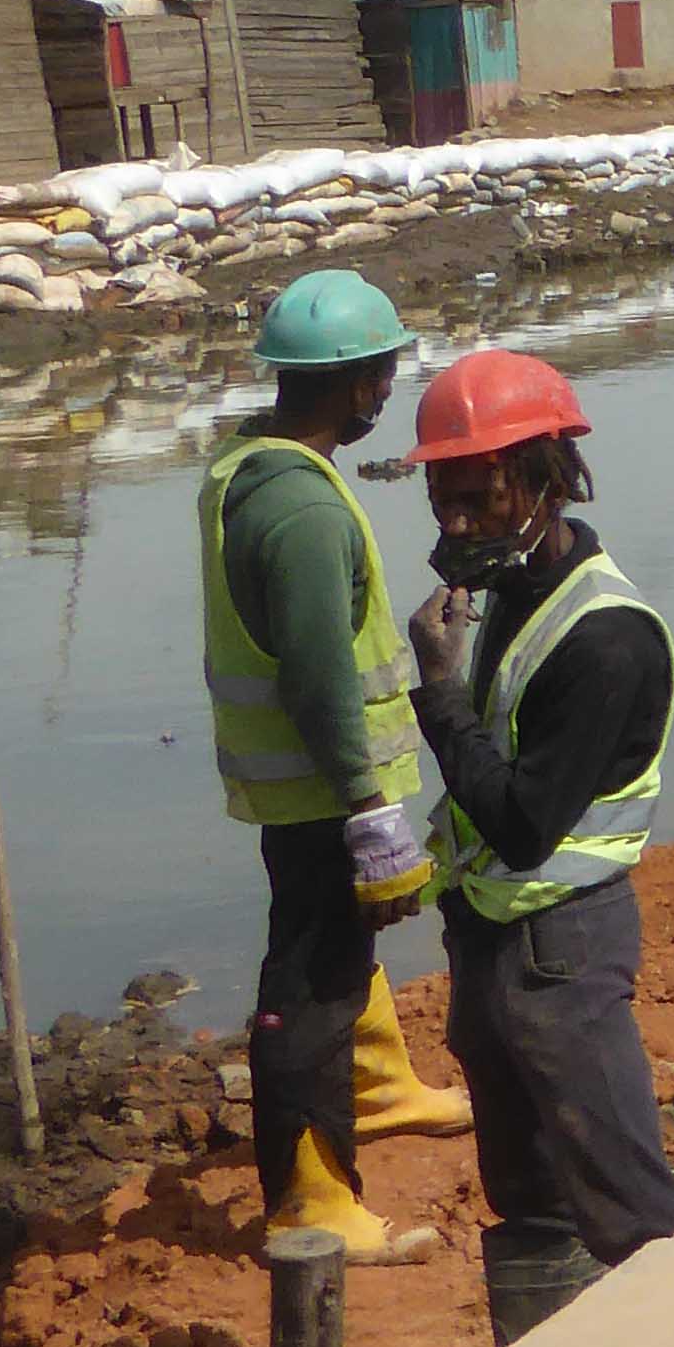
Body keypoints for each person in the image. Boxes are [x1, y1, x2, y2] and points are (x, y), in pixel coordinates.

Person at [400, 350, 674, 1347]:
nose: (455, 523)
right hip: (496, 945)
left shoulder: (606, 638)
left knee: (629, 1208)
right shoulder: (510, 604)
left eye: (476, 496)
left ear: (543, 477)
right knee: (525, 1198)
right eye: (442, 498)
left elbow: (526, 825)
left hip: (563, 952)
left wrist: (437, 695)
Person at [194, 268, 463, 1263]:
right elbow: (316, 675)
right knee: (308, 983)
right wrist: (369, 809)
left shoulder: (251, 466)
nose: (391, 387)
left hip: (298, 788)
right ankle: (312, 1199)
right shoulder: (301, 512)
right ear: (356, 381)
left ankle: (382, 1090)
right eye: (384, 369)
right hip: (322, 792)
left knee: (338, 950)